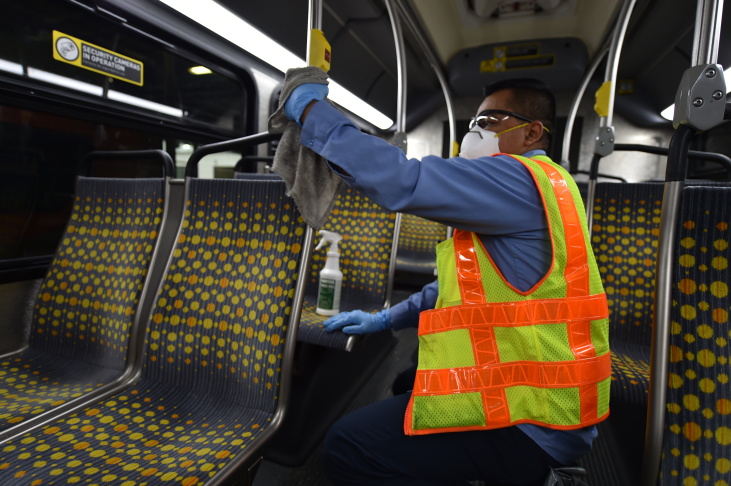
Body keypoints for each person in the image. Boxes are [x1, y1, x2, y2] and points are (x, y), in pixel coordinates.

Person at [282, 72, 609, 486]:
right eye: (473, 123)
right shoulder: (550, 187)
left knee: (348, 447)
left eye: (488, 122)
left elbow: (403, 180)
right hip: (547, 404)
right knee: (407, 381)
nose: (474, 133)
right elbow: (457, 287)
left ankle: (536, 477)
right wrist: (384, 319)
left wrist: (312, 112)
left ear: (532, 133)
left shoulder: (519, 180)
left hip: (529, 422)